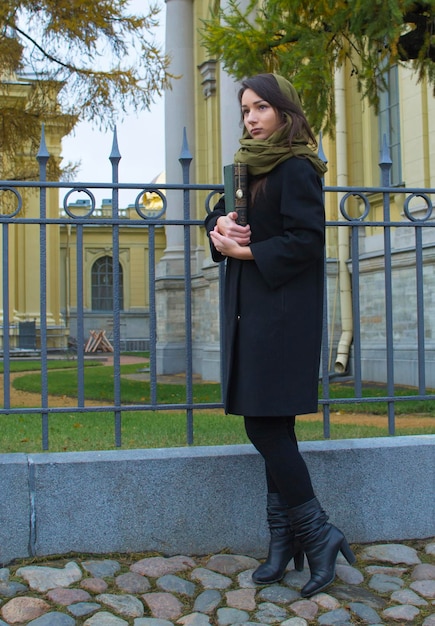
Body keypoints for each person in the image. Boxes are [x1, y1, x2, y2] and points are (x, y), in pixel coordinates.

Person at [204, 73, 355, 598]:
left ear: (284, 111)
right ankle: (283, 543)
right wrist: (219, 231)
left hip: (282, 319)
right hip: (250, 314)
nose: (250, 118)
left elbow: (306, 241)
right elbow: (216, 220)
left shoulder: (296, 167)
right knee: (275, 429)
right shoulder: (244, 168)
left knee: (264, 428)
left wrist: (247, 252)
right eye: (245, 109)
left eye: (260, 107)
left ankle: (318, 533)